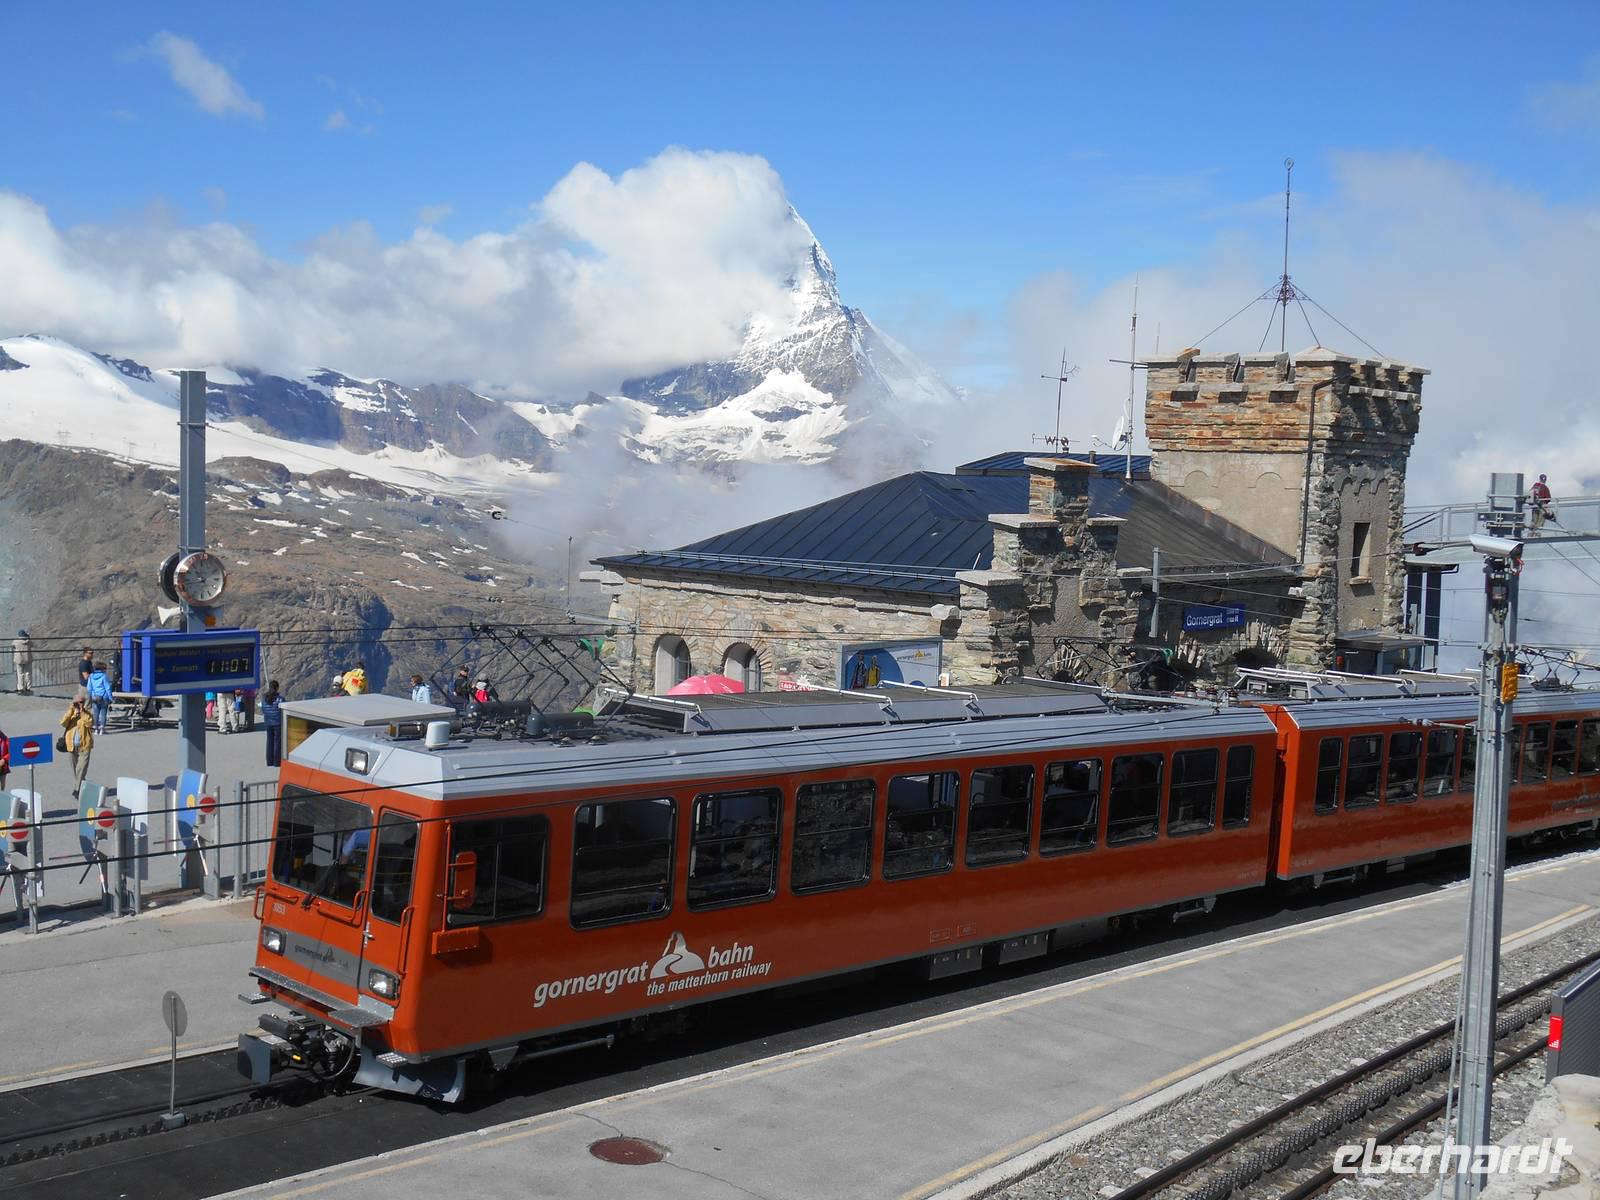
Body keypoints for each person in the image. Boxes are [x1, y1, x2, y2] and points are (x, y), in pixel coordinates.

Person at [59, 693, 94, 800]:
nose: (79, 704)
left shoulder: (88, 714)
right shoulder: (71, 714)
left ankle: (77, 789)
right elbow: (63, 723)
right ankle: (82, 786)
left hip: (84, 746)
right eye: (77, 702)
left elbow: (89, 724)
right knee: (76, 770)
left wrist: (82, 712)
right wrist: (72, 711)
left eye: (81, 702)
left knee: (81, 768)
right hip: (71, 746)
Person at [86, 661, 114, 735]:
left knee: (95, 713)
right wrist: (111, 698)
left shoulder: (91, 676)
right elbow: (107, 688)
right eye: (105, 668)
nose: (106, 670)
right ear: (102, 669)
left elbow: (89, 688)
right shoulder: (104, 676)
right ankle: (102, 729)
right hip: (104, 697)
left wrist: (92, 695)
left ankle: (96, 729)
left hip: (94, 697)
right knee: (103, 713)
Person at [261, 681, 283, 768]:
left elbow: (263, 709)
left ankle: (269, 761)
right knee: (277, 743)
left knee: (269, 742)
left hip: (268, 722)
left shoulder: (264, 698)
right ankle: (277, 762)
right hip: (277, 722)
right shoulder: (280, 699)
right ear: (277, 688)